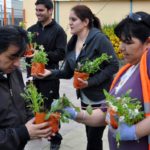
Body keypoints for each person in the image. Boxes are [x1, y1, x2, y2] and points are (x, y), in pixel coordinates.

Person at [55, 11, 150, 150]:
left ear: (148, 42)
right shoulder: (127, 71)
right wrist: (75, 114)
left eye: (128, 42)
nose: (121, 47)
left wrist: (135, 132)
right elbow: (103, 115)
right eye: (121, 41)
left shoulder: (147, 64)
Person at [34, 5, 119, 150]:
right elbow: (68, 72)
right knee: (90, 135)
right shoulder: (72, 42)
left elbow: (114, 65)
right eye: (69, 19)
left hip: (101, 97)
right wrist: (51, 73)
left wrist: (90, 81)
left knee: (94, 137)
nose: (70, 23)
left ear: (85, 22)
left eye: (74, 19)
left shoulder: (99, 39)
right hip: (85, 97)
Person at [0, 25, 52, 150]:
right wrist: (22, 133)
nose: (18, 63)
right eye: (12, 57)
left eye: (20, 57)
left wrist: (35, 122)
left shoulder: (13, 72)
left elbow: (23, 102)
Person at [26, 0, 67, 149]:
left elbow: (61, 53)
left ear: (50, 11)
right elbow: (27, 52)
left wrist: (41, 54)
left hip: (49, 77)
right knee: (34, 108)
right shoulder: (30, 30)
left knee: (51, 109)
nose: (37, 13)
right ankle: (39, 133)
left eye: (41, 10)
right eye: (36, 10)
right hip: (32, 77)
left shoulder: (58, 31)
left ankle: (55, 139)